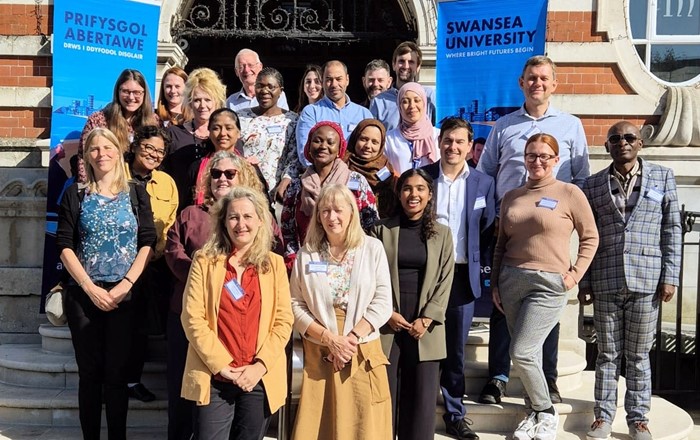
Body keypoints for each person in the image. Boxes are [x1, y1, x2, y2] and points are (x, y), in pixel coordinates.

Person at [476, 55, 590, 405]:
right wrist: (488, 218)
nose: (537, 83)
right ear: (521, 83)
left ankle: (548, 379)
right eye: (531, 78)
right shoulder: (504, 126)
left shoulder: (571, 126)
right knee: (501, 305)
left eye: (544, 78)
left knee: (548, 311)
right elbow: (485, 174)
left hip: (552, 231)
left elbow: (582, 178)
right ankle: (498, 376)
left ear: (554, 84)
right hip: (508, 227)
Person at [165, 151, 282, 440]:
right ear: (223, 222)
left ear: (260, 222)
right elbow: (193, 318)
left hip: (258, 377)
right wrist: (223, 367)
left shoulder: (273, 264)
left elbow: (282, 321)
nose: (240, 224)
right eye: (233, 217)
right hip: (215, 376)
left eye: (247, 217)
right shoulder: (205, 261)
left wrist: (259, 366)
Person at [491, 133, 598, 440]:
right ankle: (533, 412)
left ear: (555, 160)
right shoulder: (512, 196)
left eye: (543, 156)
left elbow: (591, 237)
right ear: (524, 159)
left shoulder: (569, 193)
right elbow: (500, 244)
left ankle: (546, 410)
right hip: (511, 280)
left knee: (521, 351)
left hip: (549, 284)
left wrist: (574, 275)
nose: (536, 161)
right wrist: (495, 283)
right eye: (530, 155)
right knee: (530, 354)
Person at [579, 121, 682, 440]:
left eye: (628, 137)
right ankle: (603, 416)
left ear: (640, 143)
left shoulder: (663, 177)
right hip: (605, 278)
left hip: (647, 279)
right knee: (607, 353)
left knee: (638, 355)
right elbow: (586, 235)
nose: (621, 142)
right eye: (614, 139)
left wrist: (670, 276)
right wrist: (584, 283)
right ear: (607, 146)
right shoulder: (592, 185)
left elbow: (672, 228)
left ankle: (638, 419)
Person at [56, 127, 156, 440]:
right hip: (85, 297)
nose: (101, 154)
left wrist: (127, 283)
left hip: (124, 296)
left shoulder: (136, 192)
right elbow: (64, 243)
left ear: (118, 151)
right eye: (94, 149)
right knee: (90, 376)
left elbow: (148, 240)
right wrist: (88, 287)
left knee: (117, 375)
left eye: (107, 147)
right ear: (86, 155)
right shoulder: (76, 193)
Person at [290, 183, 393, 440]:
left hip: (362, 348)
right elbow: (294, 304)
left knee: (364, 427)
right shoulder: (307, 255)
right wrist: (330, 339)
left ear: (351, 212)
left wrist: (349, 340)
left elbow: (382, 301)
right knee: (319, 426)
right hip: (320, 349)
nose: (331, 217)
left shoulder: (372, 249)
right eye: (325, 211)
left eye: (338, 210)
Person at [422, 117, 496, 440]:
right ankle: (418, 409)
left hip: (463, 276)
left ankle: (455, 412)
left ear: (469, 146)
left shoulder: (483, 183)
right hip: (426, 275)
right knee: (422, 344)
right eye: (448, 140)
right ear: (439, 142)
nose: (453, 147)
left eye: (460, 141)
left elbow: (488, 227)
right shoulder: (423, 177)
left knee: (455, 349)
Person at [372, 168, 454, 440]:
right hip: (388, 323)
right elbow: (369, 278)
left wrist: (428, 318)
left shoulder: (442, 234)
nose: (413, 194)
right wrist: (386, 314)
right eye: (407, 188)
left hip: (425, 327)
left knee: (420, 402)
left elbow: (445, 279)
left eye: (420, 188)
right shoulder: (380, 230)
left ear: (430, 195)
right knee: (384, 397)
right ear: (399, 193)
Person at [124, 125, 179, 403]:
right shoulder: (116, 175)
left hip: (151, 266)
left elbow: (169, 225)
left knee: (140, 329)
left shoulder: (167, 183)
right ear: (135, 146)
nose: (154, 154)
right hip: (117, 266)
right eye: (148, 148)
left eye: (160, 151)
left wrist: (151, 255)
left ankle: (132, 381)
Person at [281, 121, 378, 269]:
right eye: (317, 141)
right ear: (308, 146)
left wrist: (362, 258)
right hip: (309, 263)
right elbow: (288, 229)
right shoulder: (296, 186)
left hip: (351, 261)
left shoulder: (356, 182)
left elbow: (371, 222)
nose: (323, 146)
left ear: (339, 149)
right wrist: (295, 260)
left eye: (330, 142)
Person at [163, 67, 227, 210]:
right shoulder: (173, 134)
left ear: (216, 101)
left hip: (219, 212)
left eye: (207, 100)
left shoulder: (225, 137)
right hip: (180, 212)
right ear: (190, 102)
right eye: (197, 100)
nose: (202, 105)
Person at [78, 69, 159, 182]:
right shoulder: (98, 120)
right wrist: (90, 190)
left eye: (136, 92)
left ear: (144, 94)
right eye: (125, 91)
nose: (131, 97)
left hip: (143, 186)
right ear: (117, 92)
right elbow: (84, 159)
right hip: (107, 187)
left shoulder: (153, 121)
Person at [238, 67, 302, 202]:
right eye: (260, 86)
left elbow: (294, 158)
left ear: (280, 91)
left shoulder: (292, 120)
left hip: (276, 193)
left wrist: (285, 182)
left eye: (271, 87)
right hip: (244, 188)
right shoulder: (241, 117)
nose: (265, 91)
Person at [295, 60, 372, 167]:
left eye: (338, 79)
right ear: (322, 82)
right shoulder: (311, 112)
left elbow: (372, 151)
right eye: (329, 79)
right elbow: (305, 153)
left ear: (347, 80)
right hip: (323, 179)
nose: (334, 84)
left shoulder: (364, 114)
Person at [370, 41, 436, 131]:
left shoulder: (429, 96)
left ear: (418, 67)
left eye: (411, 62)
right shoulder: (379, 102)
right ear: (394, 65)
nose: (405, 66)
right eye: (401, 61)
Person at [343, 118, 398, 219]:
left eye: (374, 142)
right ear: (355, 139)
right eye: (363, 139)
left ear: (381, 145)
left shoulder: (386, 168)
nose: (368, 146)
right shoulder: (343, 164)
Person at [384, 82, 440, 174]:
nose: (412, 106)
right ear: (399, 106)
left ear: (424, 103)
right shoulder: (389, 139)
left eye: (417, 100)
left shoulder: (438, 136)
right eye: (405, 101)